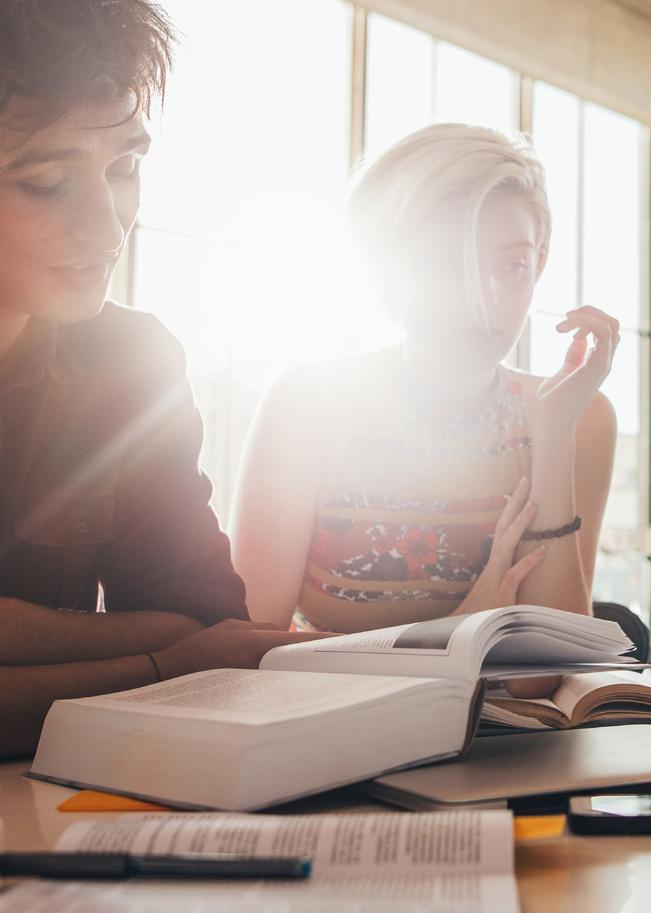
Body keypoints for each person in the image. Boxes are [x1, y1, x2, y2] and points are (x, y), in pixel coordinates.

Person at [0, 0, 314, 757]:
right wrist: (153, 664)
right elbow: (192, 656)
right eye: (44, 181)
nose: (108, 227)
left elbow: (211, 625)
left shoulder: (131, 363)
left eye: (125, 167)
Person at [230, 123, 619, 697]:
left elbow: (542, 678)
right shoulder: (308, 407)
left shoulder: (577, 415)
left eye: (510, 266)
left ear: (539, 264)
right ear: (387, 268)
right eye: (445, 262)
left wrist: (554, 436)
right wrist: (452, 636)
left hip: (502, 765)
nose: (482, 296)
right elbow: (244, 653)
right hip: (322, 748)